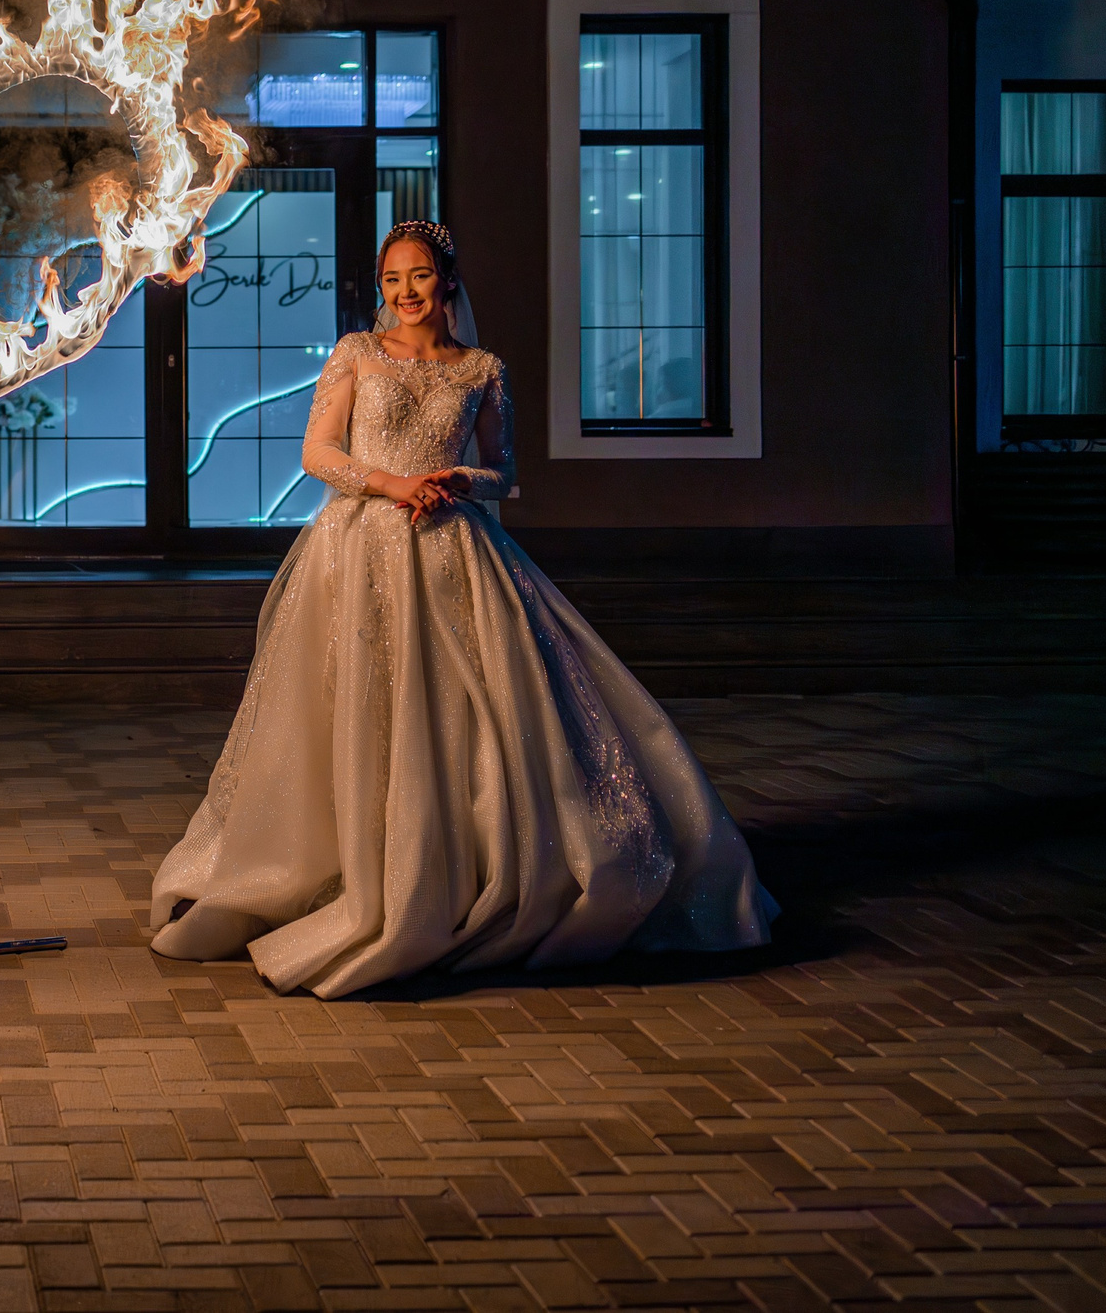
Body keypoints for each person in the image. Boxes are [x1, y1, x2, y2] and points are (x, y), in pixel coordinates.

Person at [150, 221, 776, 997]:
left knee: (472, 717)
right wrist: (392, 484)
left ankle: (463, 871)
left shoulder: (481, 367)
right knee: (354, 710)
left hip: (453, 549)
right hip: (358, 552)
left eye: (418, 277)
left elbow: (504, 470)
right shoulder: (356, 353)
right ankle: (351, 866)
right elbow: (317, 453)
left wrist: (458, 480)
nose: (403, 293)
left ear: (447, 284)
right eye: (390, 280)